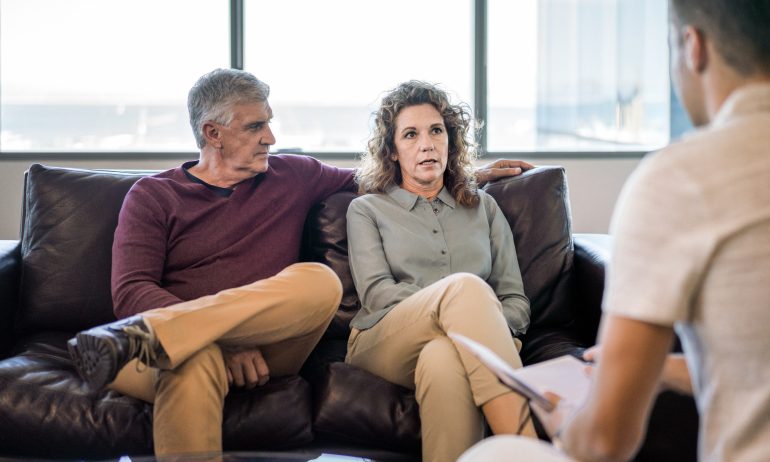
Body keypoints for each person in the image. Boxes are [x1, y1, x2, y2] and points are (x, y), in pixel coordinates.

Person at [66, 68, 532, 457]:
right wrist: (219, 345)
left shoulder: (292, 174)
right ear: (213, 133)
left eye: (269, 123)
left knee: (319, 280)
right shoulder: (153, 196)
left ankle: (176, 334)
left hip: (266, 348)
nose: (271, 137)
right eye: (255, 127)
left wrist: (469, 174)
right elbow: (131, 292)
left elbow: (383, 175)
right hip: (150, 348)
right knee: (192, 360)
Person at [459, 0, 770, 461]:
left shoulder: (683, 177)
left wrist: (565, 425)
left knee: (495, 454)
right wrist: (665, 369)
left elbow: (605, 442)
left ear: (693, 47)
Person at [345, 80, 536, 462]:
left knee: (444, 358)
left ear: (451, 141)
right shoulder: (367, 210)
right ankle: (531, 449)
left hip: (461, 343)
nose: (427, 144)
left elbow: (514, 299)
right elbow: (378, 294)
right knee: (465, 289)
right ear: (392, 151)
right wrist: (457, 307)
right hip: (384, 341)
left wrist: (480, 324)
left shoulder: (484, 208)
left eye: (436, 131)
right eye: (410, 135)